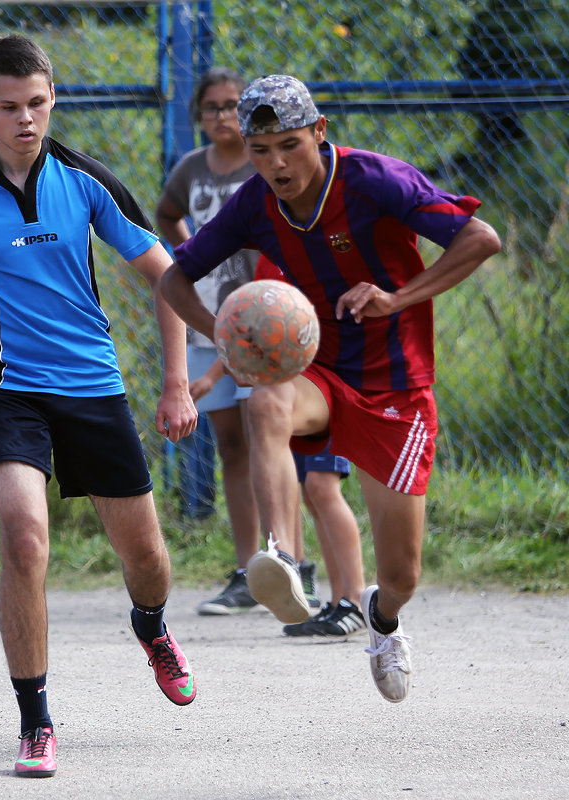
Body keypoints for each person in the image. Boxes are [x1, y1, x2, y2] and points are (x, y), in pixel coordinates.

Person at [0, 34, 198, 778]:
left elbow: (168, 276)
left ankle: (151, 626)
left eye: (36, 103)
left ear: (51, 99)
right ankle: (35, 719)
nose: (24, 119)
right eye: (8, 107)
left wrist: (176, 381)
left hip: (92, 385)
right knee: (24, 537)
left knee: (147, 559)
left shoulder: (86, 181)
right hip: (7, 391)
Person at [159, 75, 501, 702]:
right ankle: (285, 560)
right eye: (261, 151)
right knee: (265, 398)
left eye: (289, 145)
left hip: (398, 386)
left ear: (319, 132)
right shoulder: (253, 204)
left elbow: (482, 238)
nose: (276, 164)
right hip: (318, 372)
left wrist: (396, 298)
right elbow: (173, 280)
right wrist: (224, 335)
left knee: (403, 573)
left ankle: (384, 618)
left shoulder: (374, 179)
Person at [155, 67, 265, 616]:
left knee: (272, 436)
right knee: (234, 448)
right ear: (198, 115)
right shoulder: (192, 168)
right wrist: (193, 251)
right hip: (207, 320)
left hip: (266, 325)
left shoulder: (265, 162)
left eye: (231, 105)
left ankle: (286, 560)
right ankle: (248, 570)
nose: (222, 115)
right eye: (212, 107)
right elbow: (167, 215)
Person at [281, 443, 367, 638]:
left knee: (322, 485)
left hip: (327, 412)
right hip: (303, 415)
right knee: (312, 493)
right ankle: (339, 603)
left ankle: (356, 601)